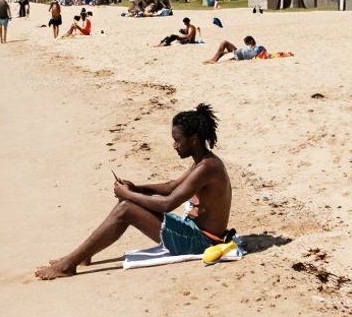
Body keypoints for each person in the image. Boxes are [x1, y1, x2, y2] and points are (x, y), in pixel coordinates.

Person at [35, 104, 230, 280]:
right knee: (127, 204)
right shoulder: (202, 163)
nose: (175, 146)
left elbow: (168, 203)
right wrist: (136, 188)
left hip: (200, 242)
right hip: (193, 233)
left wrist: (127, 195)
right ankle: (82, 255)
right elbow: (171, 186)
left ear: (194, 139)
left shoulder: (207, 167)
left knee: (127, 208)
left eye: (178, 141)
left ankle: (69, 264)